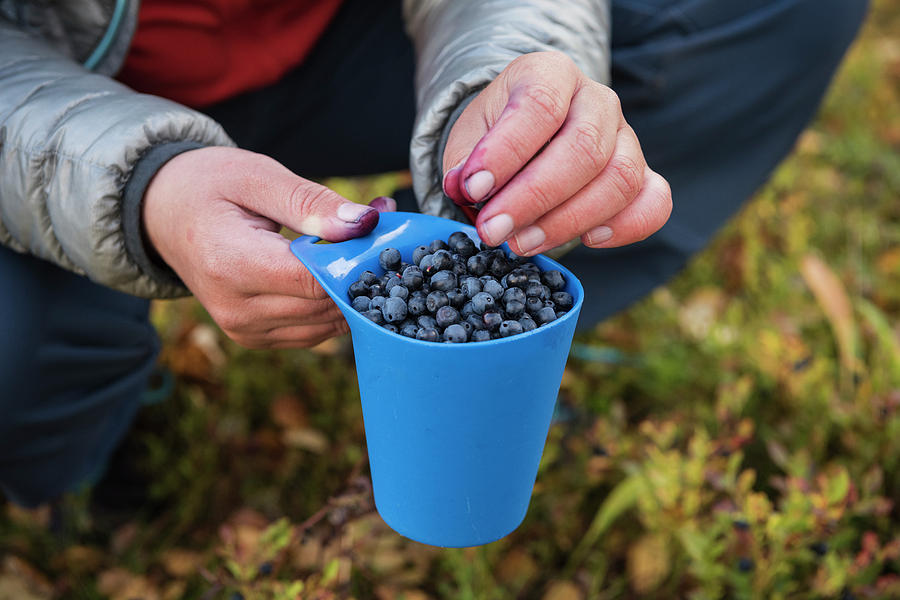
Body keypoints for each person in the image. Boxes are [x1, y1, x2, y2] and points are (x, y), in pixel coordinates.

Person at [0, 0, 868, 507]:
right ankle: (90, 441)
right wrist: (140, 187)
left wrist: (515, 75)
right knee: (25, 357)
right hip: (61, 102)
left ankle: (478, 363)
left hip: (356, 40)